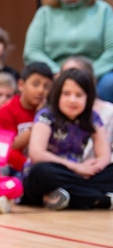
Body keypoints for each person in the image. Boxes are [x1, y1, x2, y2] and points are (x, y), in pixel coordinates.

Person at [23, 0, 113, 103]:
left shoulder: (103, 11)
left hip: (97, 73)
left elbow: (111, 51)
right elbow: (32, 51)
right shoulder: (44, 14)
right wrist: (58, 72)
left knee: (110, 84)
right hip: (55, 73)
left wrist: (88, 74)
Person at [22, 68, 113, 210]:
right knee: (42, 172)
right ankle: (100, 199)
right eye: (66, 94)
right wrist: (77, 168)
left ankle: (65, 197)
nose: (72, 100)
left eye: (79, 95)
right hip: (53, 172)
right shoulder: (46, 115)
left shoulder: (92, 118)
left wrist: (94, 168)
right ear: (58, 95)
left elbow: (104, 155)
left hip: (75, 177)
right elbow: (36, 154)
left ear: (88, 98)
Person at [0, 62, 54, 175]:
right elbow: (6, 149)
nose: (41, 90)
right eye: (35, 84)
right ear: (21, 85)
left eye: (46, 87)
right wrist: (38, 123)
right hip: (17, 169)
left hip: (45, 167)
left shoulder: (52, 112)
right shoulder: (5, 111)